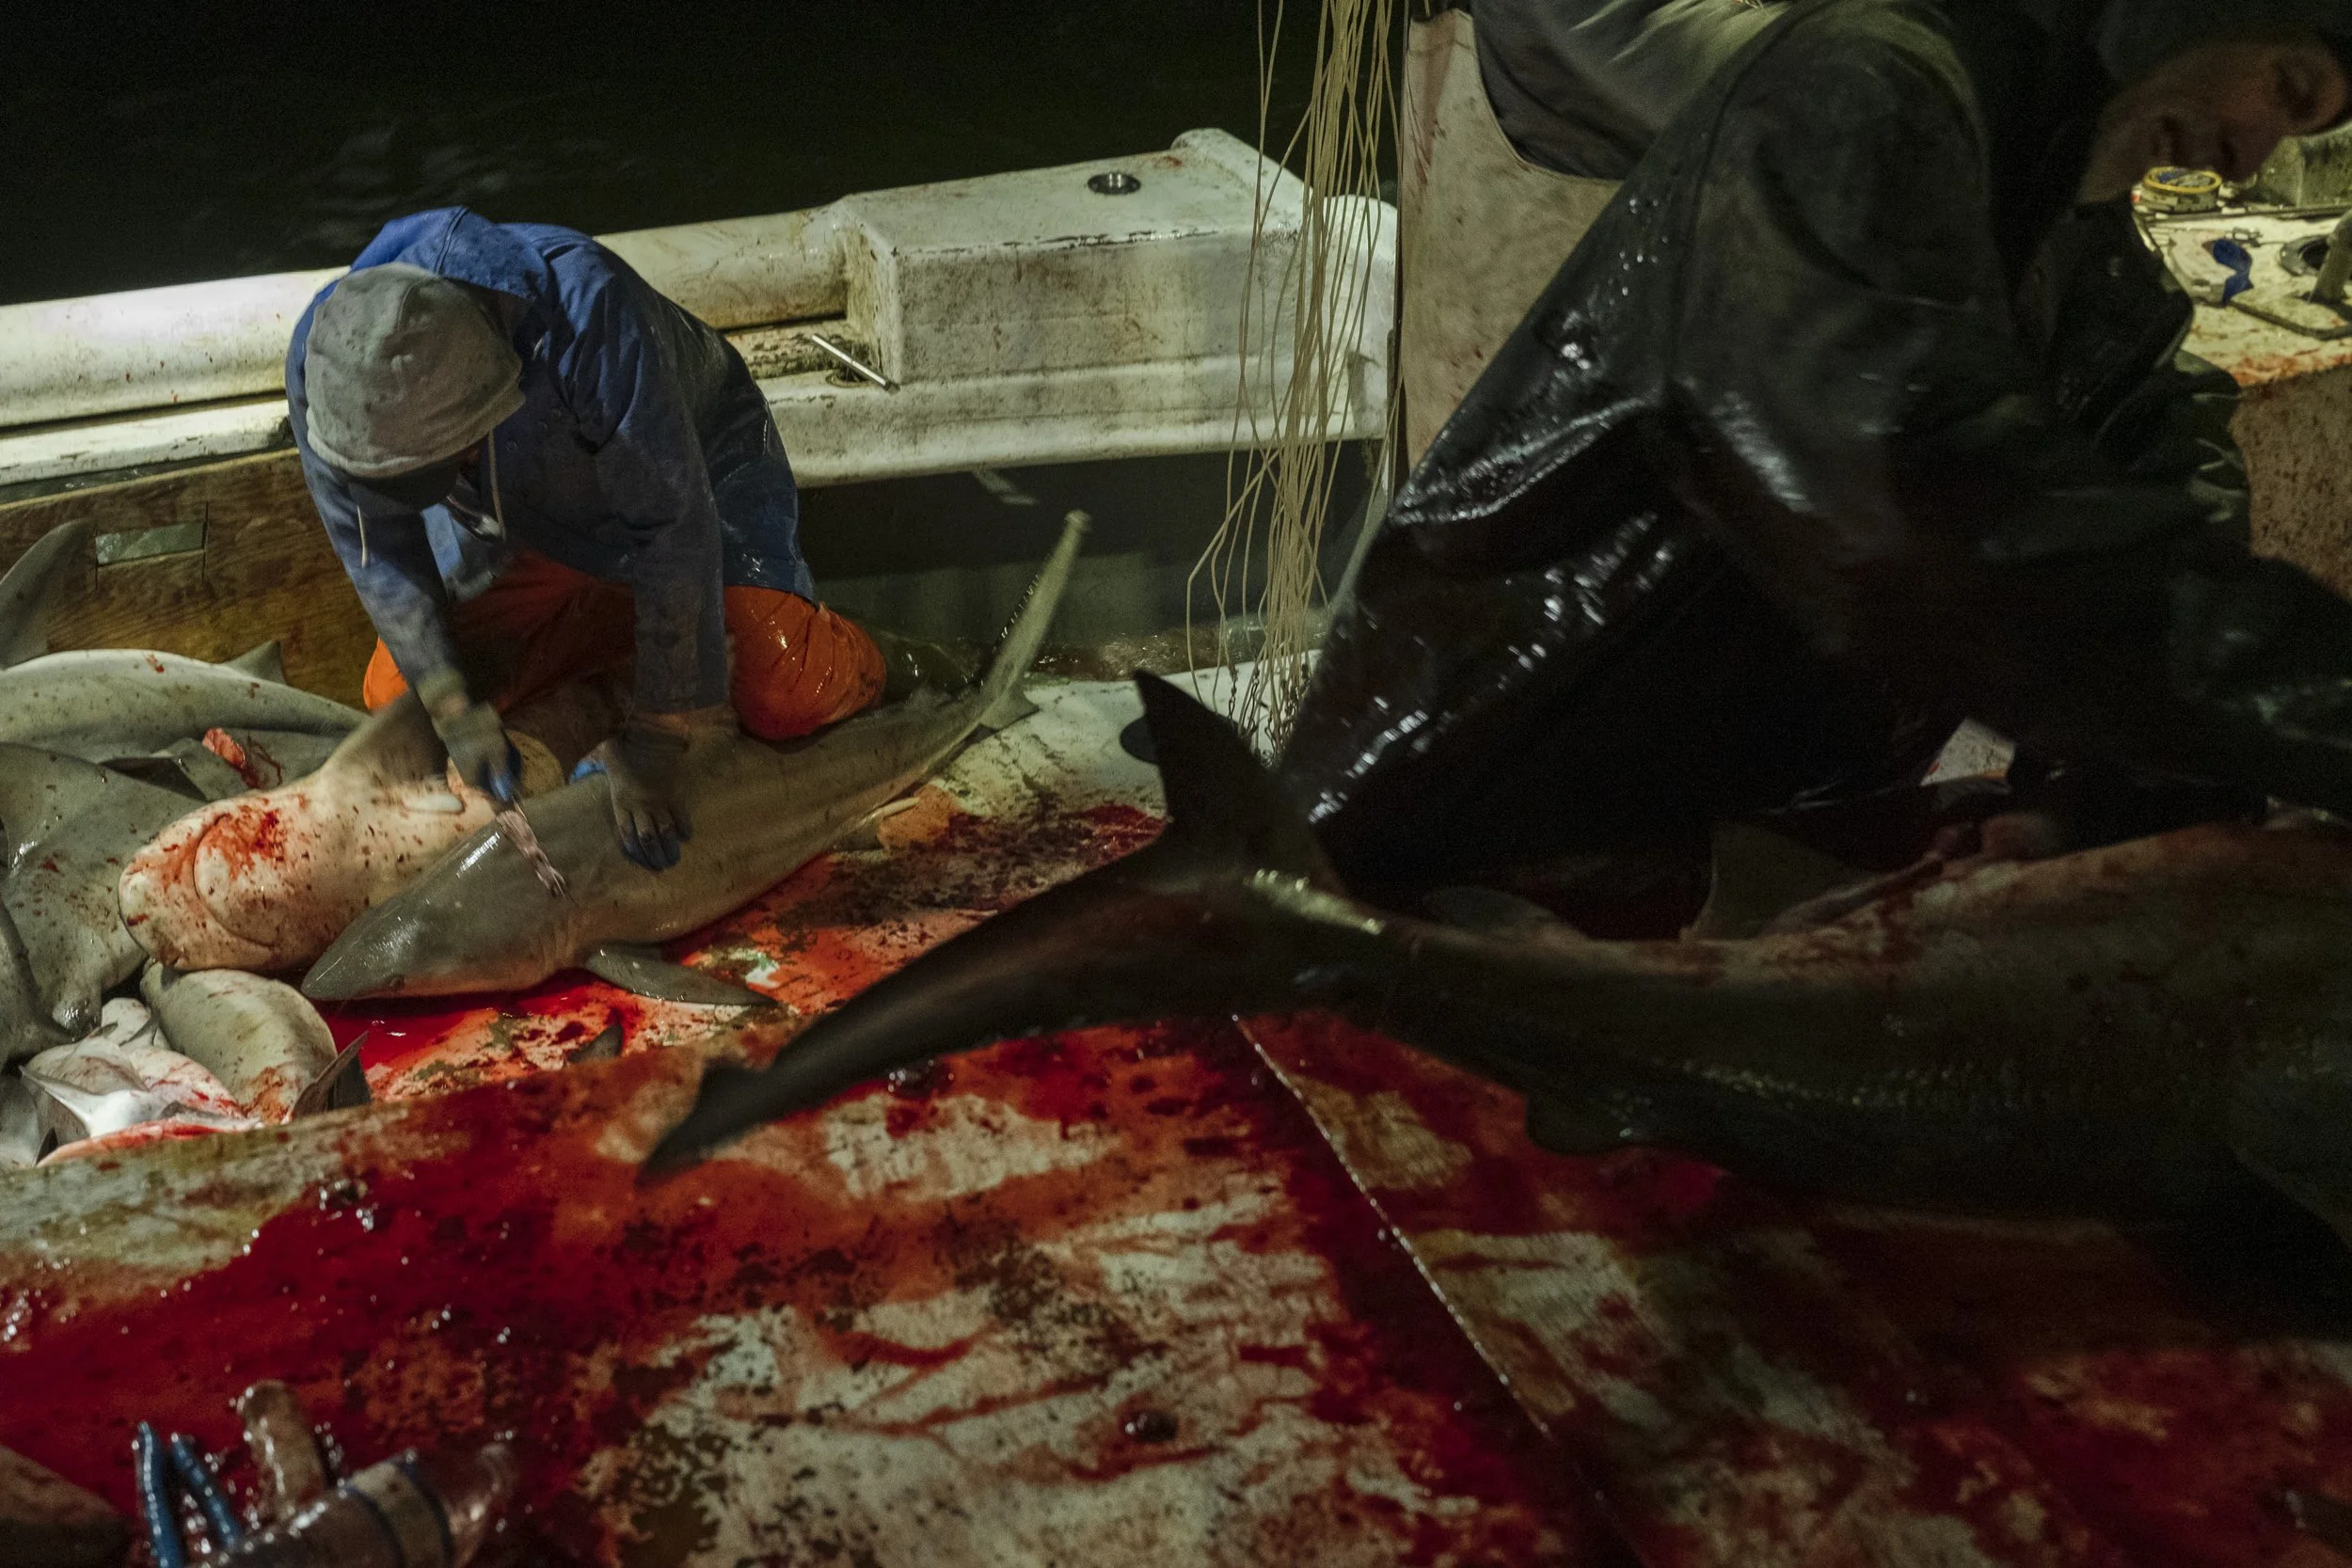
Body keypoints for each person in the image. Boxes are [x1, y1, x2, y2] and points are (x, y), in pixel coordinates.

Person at [1286, 0, 2352, 902]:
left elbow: (2151, 442)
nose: (2244, 157)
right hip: (1483, 850)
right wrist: (2312, 704)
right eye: (2288, 90)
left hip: (1770, 840)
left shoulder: (2055, 194)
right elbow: (1910, 516)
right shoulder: (1856, 95)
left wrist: (2091, 790)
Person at [287, 207, 888, 872]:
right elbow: (378, 553)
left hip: (693, 473)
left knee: (786, 693)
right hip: (514, 516)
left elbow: (671, 526)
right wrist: (451, 703)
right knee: (396, 692)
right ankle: (636, 652)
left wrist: (658, 739)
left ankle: (884, 654)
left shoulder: (590, 309)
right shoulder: (325, 360)